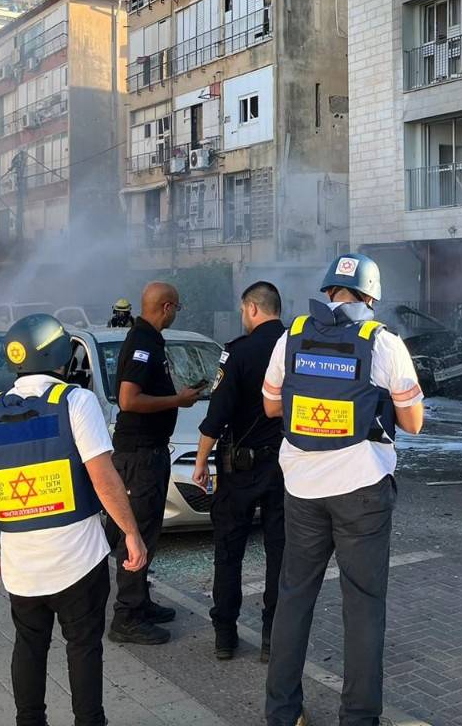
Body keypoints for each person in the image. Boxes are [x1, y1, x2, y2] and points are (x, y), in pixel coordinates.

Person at [262, 253, 425, 726]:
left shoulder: (290, 336)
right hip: (362, 491)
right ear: (370, 296)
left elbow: (272, 407)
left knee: (294, 597)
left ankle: (282, 713)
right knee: (364, 606)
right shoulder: (383, 343)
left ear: (328, 289)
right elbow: (413, 422)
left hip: (302, 488)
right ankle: (358, 718)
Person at [0, 313, 148, 726]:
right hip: (78, 561)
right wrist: (131, 533)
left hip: (21, 566)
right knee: (83, 648)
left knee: (28, 645)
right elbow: (103, 477)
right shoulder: (76, 401)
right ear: (59, 354)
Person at [106, 282, 207, 645]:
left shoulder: (149, 339)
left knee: (147, 531)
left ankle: (140, 601)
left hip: (150, 451)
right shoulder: (142, 342)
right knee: (135, 531)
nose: (177, 312)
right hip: (139, 454)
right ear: (165, 307)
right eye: (176, 307)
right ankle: (127, 617)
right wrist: (176, 401)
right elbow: (129, 400)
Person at [192, 281, 287, 662]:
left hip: (240, 469)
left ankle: (225, 637)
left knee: (229, 551)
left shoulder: (238, 352)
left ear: (251, 309)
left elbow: (217, 415)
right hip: (286, 468)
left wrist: (200, 462)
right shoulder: (297, 347)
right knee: (280, 554)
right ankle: (272, 639)